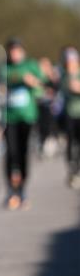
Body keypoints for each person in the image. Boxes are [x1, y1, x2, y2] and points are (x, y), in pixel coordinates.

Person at [0, 38, 43, 210]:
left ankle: (22, 189)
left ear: (22, 51)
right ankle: (10, 189)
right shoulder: (4, 67)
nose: (14, 54)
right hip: (10, 117)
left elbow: (41, 85)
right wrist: (23, 78)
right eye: (11, 51)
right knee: (10, 153)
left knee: (23, 154)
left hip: (27, 116)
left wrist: (34, 82)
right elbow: (3, 80)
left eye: (17, 50)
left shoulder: (31, 65)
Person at [59, 46, 80, 189]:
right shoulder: (65, 75)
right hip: (69, 114)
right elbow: (67, 88)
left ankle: (77, 171)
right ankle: (72, 169)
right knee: (70, 144)